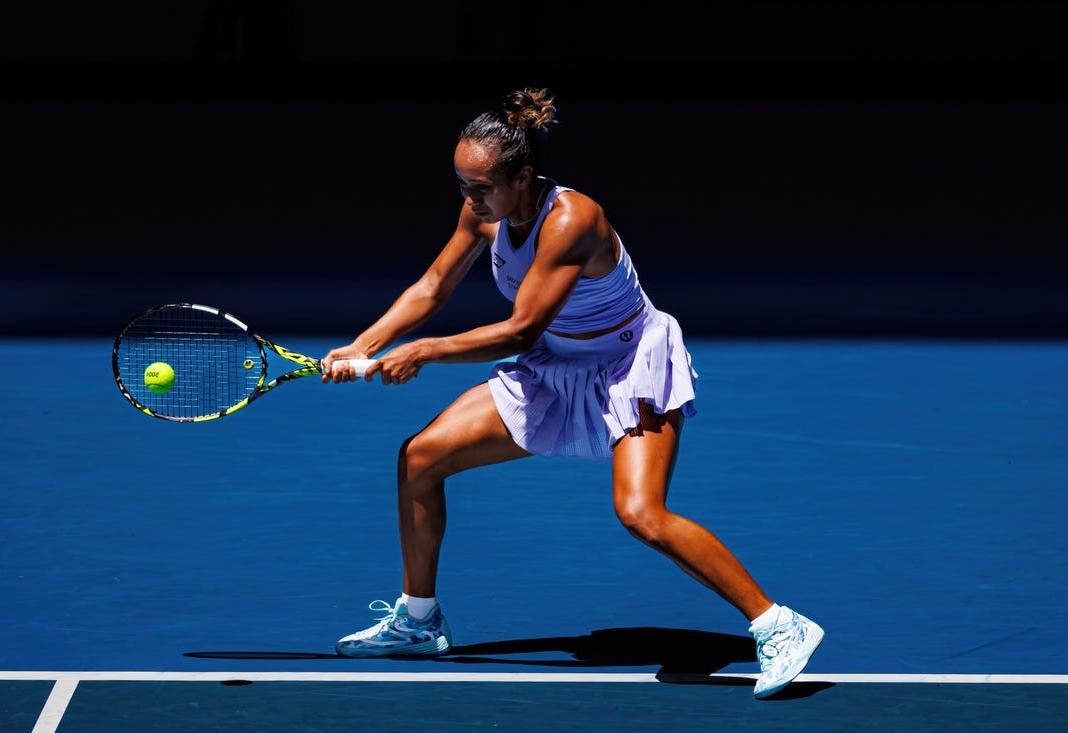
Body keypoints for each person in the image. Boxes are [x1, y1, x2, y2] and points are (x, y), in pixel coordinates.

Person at [319, 87, 824, 698]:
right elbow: (432, 286)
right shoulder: (484, 210)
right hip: (555, 364)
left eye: (481, 187)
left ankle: (778, 625)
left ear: (524, 177)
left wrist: (426, 350)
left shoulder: (572, 220)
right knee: (420, 458)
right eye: (462, 185)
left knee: (641, 514)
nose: (470, 200)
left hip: (626, 365)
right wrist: (363, 346)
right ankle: (419, 621)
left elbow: (520, 327)